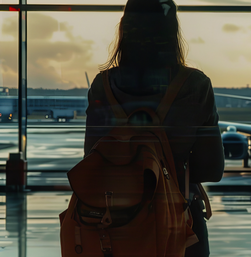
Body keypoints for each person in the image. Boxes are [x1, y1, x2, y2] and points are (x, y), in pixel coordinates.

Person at [83, 0, 224, 256]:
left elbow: (91, 159)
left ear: (125, 29)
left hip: (115, 224)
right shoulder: (195, 86)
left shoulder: (102, 86)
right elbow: (213, 169)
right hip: (178, 221)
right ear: (172, 31)